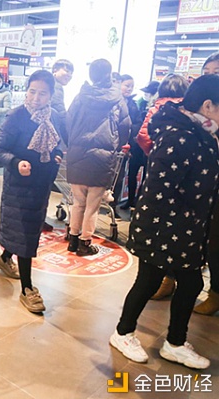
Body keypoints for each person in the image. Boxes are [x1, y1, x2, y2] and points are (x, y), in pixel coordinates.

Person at [110, 74, 219, 370]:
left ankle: (174, 342)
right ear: (208, 106)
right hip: (163, 226)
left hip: (188, 226)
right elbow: (158, 191)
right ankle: (123, 333)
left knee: (191, 281)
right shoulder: (178, 135)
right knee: (149, 280)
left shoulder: (202, 132)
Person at [0, 70, 64, 313]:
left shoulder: (54, 117)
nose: (36, 97)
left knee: (27, 230)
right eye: (32, 91)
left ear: (51, 96)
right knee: (25, 234)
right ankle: (27, 288)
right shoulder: (18, 116)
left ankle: (4, 259)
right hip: (18, 186)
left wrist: (56, 155)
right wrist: (15, 162)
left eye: (42, 93)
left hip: (41, 185)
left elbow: (59, 145)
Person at [65, 59, 131, 256]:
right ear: (109, 75)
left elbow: (68, 121)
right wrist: (116, 145)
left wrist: (74, 141)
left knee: (78, 202)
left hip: (77, 155)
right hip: (102, 158)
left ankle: (73, 239)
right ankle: (85, 243)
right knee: (92, 206)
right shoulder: (117, 98)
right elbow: (125, 126)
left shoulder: (80, 96)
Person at [134, 74, 189, 301]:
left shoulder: (157, 108)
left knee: (157, 221)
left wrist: (155, 154)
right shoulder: (189, 110)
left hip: (158, 171)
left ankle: (162, 279)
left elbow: (143, 136)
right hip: (188, 176)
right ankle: (171, 276)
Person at [193, 52, 219, 315]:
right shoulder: (195, 110)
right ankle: (169, 280)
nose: (212, 75)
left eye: (217, 71)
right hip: (199, 189)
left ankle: (216, 293)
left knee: (215, 242)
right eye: (208, 71)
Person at [113, 74, 144, 212]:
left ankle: (112, 205)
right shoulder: (112, 101)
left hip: (125, 147)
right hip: (110, 145)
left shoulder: (132, 105)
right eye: (126, 85)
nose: (129, 89)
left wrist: (131, 145)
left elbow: (136, 126)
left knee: (118, 178)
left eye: (131, 86)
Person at [50, 59, 74, 145]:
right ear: (55, 70)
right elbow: (60, 112)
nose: (69, 75)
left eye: (71, 73)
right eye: (67, 71)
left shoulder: (48, 83)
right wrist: (68, 139)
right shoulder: (55, 86)